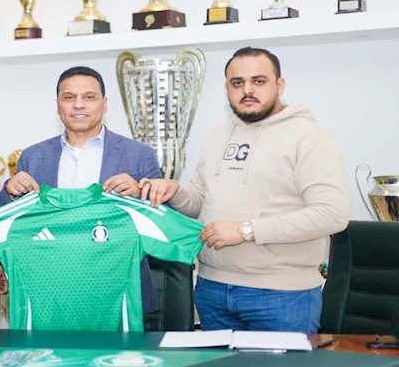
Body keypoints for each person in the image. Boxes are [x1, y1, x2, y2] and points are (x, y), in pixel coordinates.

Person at [139, 47, 349, 333]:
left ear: (279, 85)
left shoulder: (310, 138)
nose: (247, 90)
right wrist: (174, 190)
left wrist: (246, 230)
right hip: (212, 289)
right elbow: (199, 202)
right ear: (227, 87)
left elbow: (332, 215)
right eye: (237, 83)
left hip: (282, 295)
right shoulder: (217, 136)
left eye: (258, 81)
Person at [0, 66, 163, 315]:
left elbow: (164, 222)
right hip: (48, 293)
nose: (78, 104)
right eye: (69, 97)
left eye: (89, 97)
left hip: (119, 293)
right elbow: (5, 222)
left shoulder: (138, 155)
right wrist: (9, 191)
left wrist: (141, 195)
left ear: (105, 104)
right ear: (58, 105)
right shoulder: (34, 156)